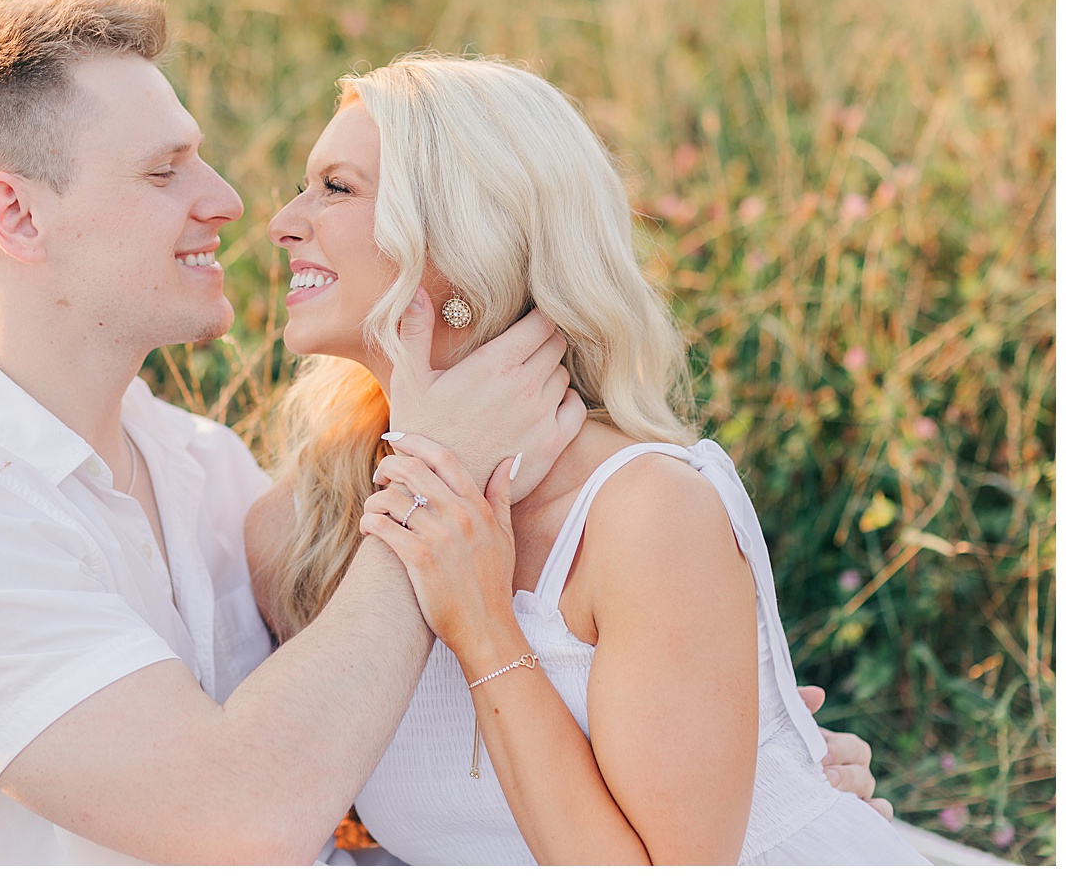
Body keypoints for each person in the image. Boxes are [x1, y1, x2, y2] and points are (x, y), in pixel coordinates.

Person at [0, 0, 588, 865]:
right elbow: (237, 818)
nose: (229, 200)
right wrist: (437, 475)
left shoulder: (203, 467)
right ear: (17, 215)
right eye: (165, 172)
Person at [253, 53, 927, 864]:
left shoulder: (643, 512)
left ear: (460, 238)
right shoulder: (306, 526)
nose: (283, 221)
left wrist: (484, 628)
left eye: (337, 188)